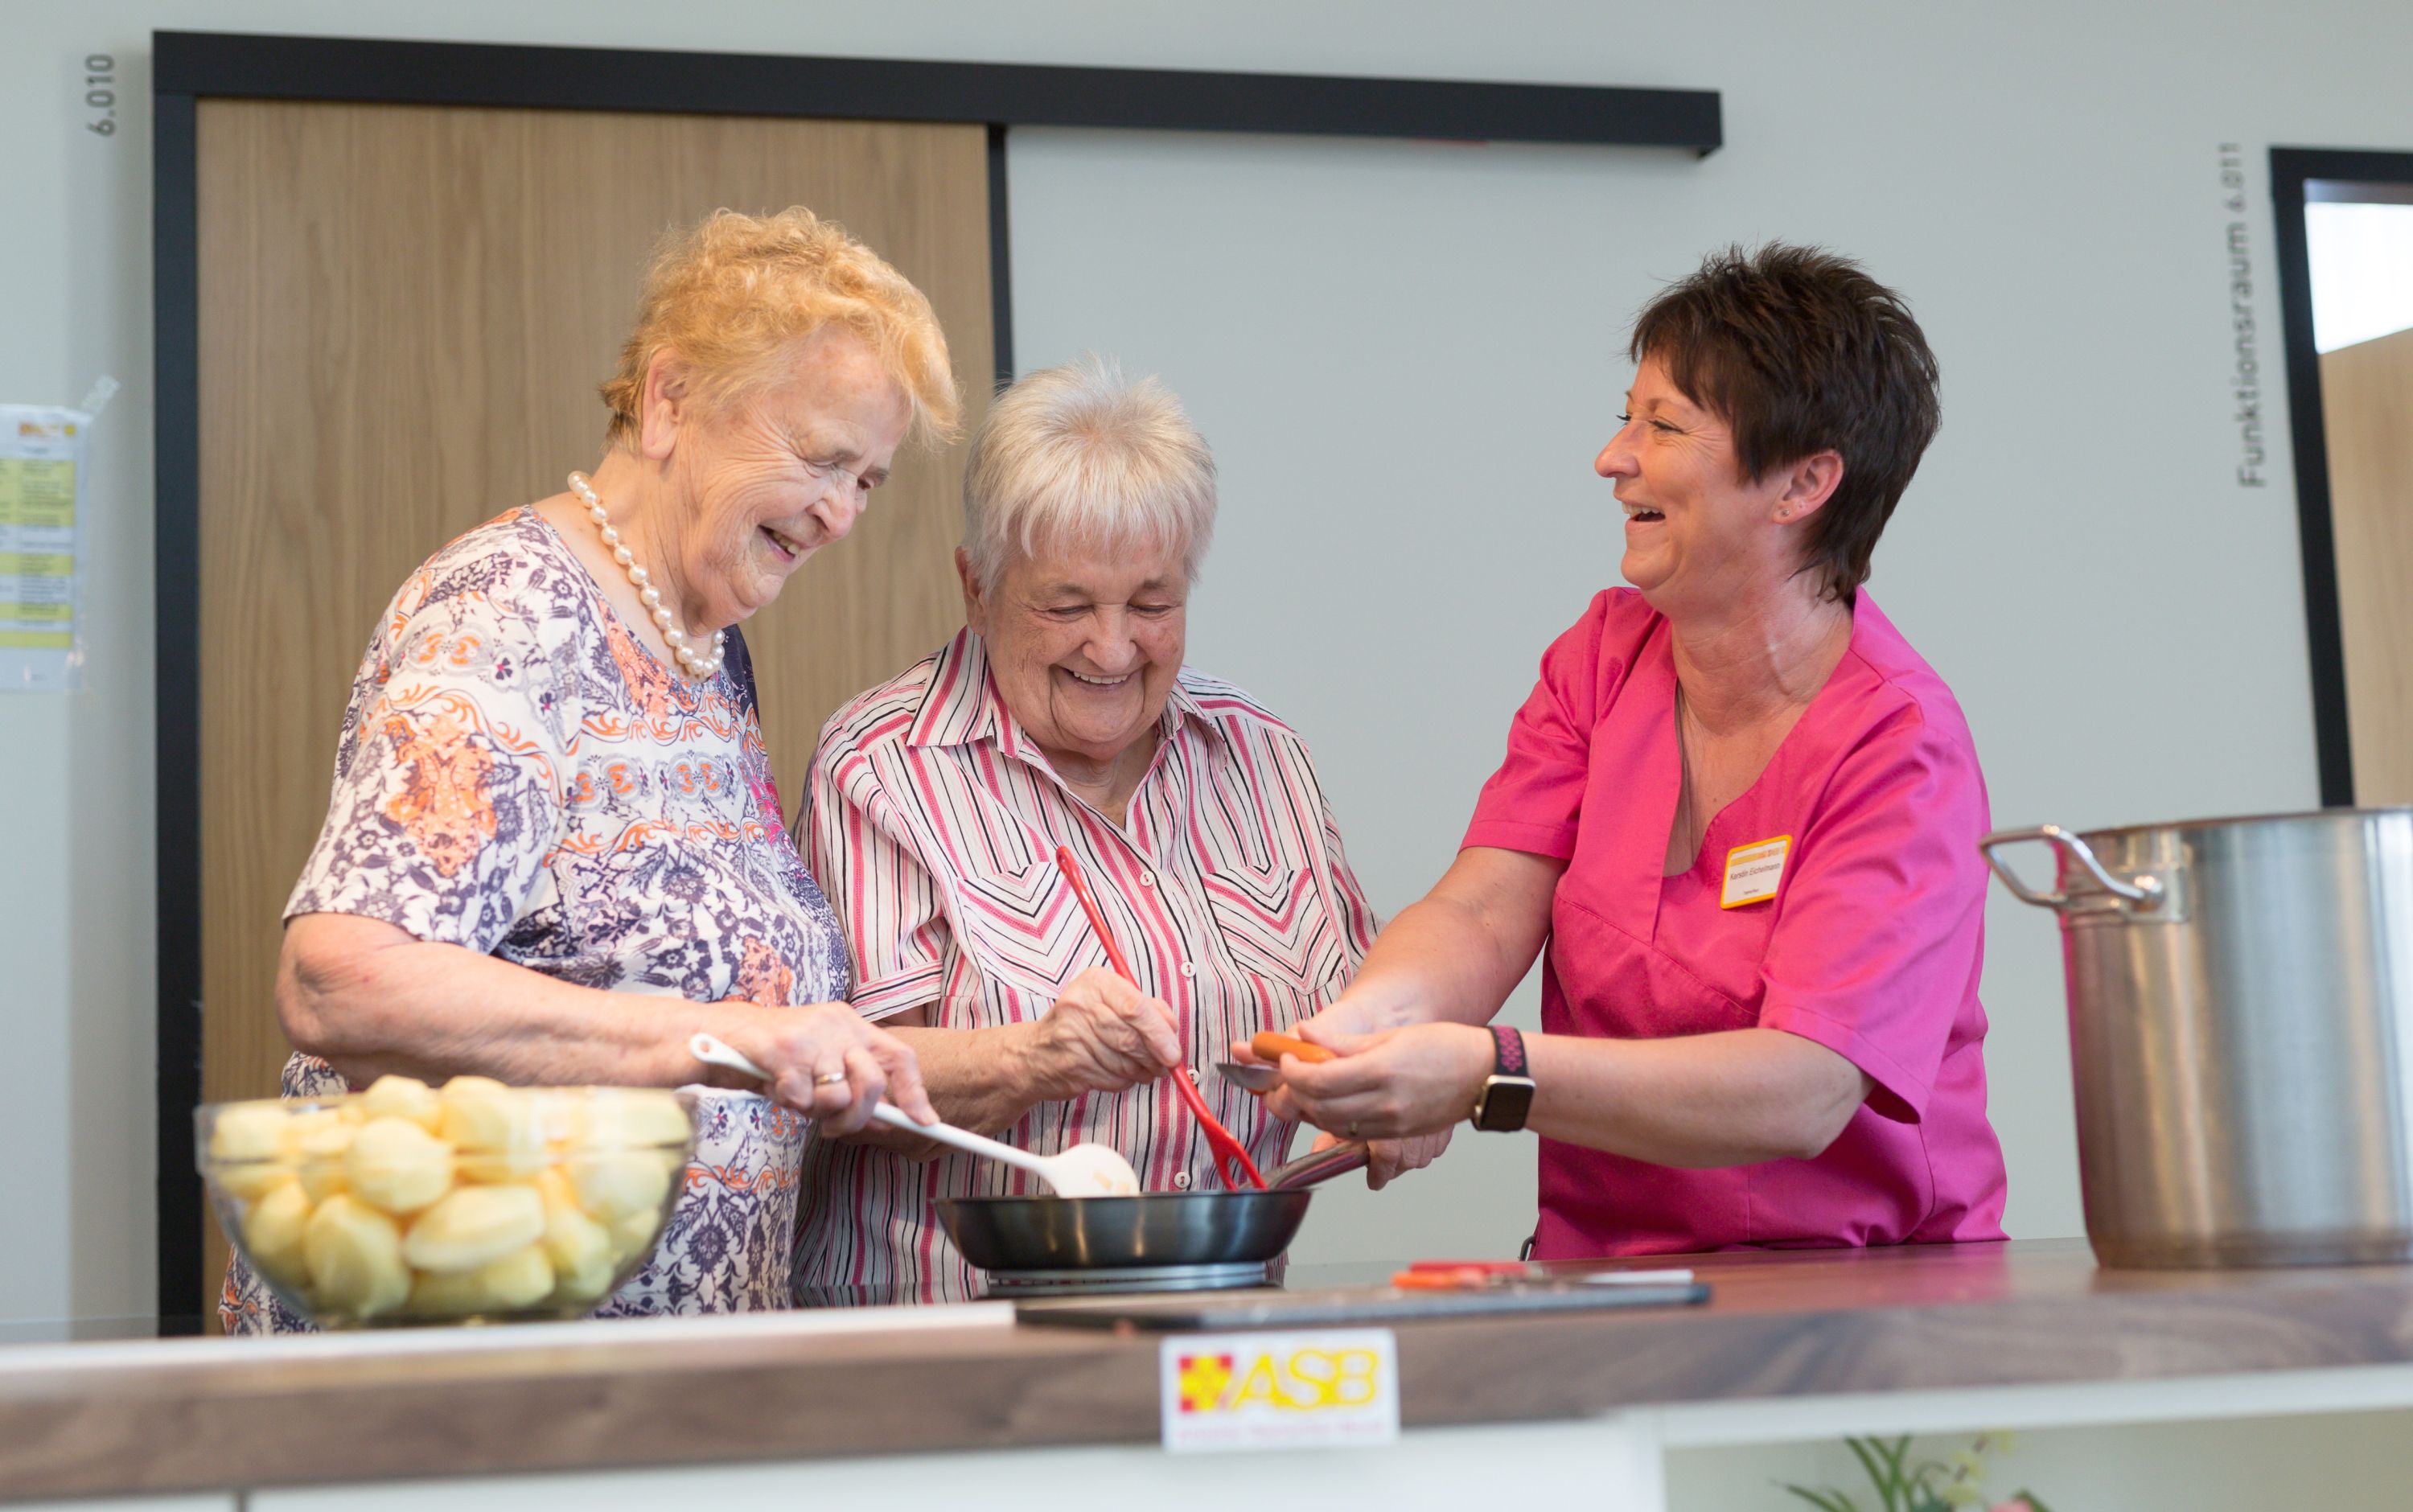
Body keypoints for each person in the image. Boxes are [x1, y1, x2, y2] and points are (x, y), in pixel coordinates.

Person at [227, 207, 956, 1331]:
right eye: (820, 458)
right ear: (671, 401)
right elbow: (344, 979)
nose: (841, 515)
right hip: (471, 1366)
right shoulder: (510, 616)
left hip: (651, 1387)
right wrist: (743, 1038)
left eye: (869, 482)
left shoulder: (702, 647)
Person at [1265, 244, 2008, 1258]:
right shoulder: (1603, 659)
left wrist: (1489, 1072)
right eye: (1628, 416)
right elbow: (1483, 907)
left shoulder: (1898, 745)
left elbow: (1805, 1087)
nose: (1614, 457)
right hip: (1610, 1275)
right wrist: (1368, 1025)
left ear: (1802, 483)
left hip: (1858, 1294)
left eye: (1661, 425)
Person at [795, 355, 1378, 1300]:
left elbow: (1357, 1014)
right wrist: (1034, 1057)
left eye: (1152, 604)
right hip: (948, 1342)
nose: (1112, 648)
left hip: (1214, 1319)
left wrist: (1398, 1079)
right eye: (1065, 606)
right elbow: (849, 1089)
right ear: (975, 587)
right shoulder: (880, 766)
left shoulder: (1261, 754)